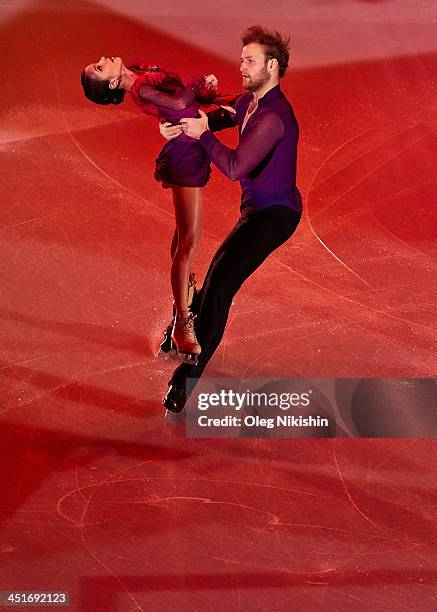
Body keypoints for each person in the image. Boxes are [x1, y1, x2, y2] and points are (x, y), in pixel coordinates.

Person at [159, 25, 303, 413]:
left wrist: (203, 135)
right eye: (242, 59)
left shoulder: (273, 117)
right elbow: (225, 114)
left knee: (220, 284)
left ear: (272, 67)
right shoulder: (251, 102)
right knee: (214, 280)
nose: (241, 66)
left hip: (275, 215)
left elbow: (237, 166)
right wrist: (183, 125)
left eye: (250, 60)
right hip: (257, 210)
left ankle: (185, 382)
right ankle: (182, 334)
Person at [81, 56, 221, 361]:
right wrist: (198, 81)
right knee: (189, 240)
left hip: (191, 145)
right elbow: (182, 99)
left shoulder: (139, 71)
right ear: (114, 83)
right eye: (101, 68)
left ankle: (183, 303)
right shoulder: (141, 89)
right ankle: (183, 325)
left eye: (97, 62)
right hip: (185, 155)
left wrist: (203, 92)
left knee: (184, 236)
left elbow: (177, 99)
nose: (103, 59)